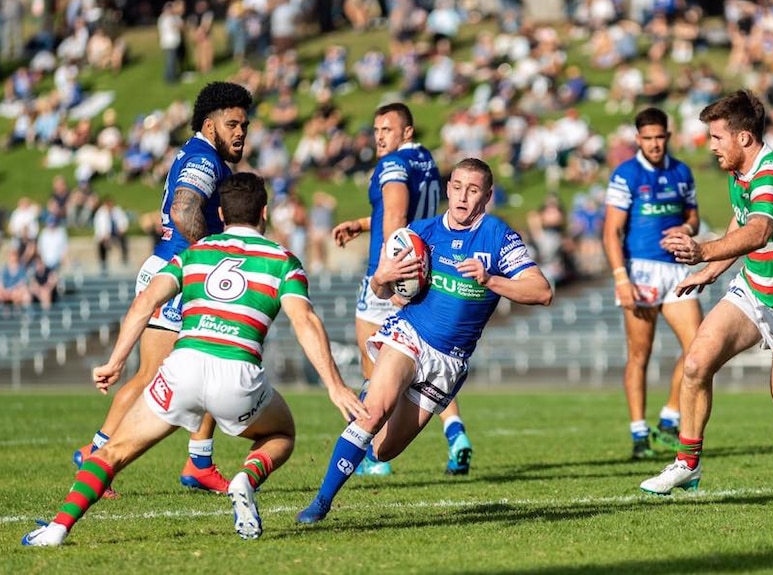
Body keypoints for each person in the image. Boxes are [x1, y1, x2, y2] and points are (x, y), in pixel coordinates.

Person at [21, 173, 368, 547]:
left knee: (112, 452)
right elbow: (305, 322)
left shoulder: (195, 252)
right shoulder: (283, 261)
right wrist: (335, 386)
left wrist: (115, 361)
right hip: (239, 378)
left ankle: (57, 529)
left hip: (181, 370)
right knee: (281, 433)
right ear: (265, 213)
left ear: (220, 212)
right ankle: (245, 479)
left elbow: (145, 303)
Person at [296, 158, 554, 524]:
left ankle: (382, 389)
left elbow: (542, 292)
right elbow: (388, 292)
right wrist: (382, 278)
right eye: (458, 187)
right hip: (410, 335)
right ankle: (320, 503)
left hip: (448, 362)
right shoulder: (423, 233)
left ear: (487, 196)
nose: (463, 197)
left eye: (474, 190)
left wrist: (491, 280)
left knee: (384, 451)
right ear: (448, 188)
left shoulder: (498, 236)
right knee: (373, 414)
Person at [640, 90, 773, 512]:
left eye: (716, 137)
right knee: (696, 363)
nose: (711, 146)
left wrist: (705, 251)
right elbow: (741, 219)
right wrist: (713, 270)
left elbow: (760, 229)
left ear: (744, 137)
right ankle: (687, 462)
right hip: (755, 290)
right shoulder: (739, 173)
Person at [72, 81, 254, 496]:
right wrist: (212, 254)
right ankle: (103, 454)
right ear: (210, 126)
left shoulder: (203, 155)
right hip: (180, 274)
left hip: (175, 269)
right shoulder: (205, 160)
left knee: (203, 363)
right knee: (178, 370)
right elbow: (184, 207)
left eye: (244, 124)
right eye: (232, 124)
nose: (240, 132)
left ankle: (195, 461)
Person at [330, 102, 475, 476]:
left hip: (396, 274)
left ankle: (370, 457)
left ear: (406, 132)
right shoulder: (424, 159)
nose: (379, 137)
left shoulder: (392, 165)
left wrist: (388, 276)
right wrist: (362, 225)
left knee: (372, 369)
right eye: (376, 130)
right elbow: (401, 213)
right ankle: (455, 430)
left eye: (387, 130)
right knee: (430, 363)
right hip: (424, 272)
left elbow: (395, 217)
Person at [602, 107, 703, 460]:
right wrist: (620, 278)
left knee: (700, 347)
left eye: (660, 137)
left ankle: (669, 419)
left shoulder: (681, 171)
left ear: (668, 136)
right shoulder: (626, 174)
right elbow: (611, 231)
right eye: (648, 138)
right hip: (640, 271)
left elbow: (693, 215)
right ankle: (639, 434)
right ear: (638, 139)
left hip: (676, 271)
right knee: (639, 355)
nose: (655, 144)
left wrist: (688, 229)